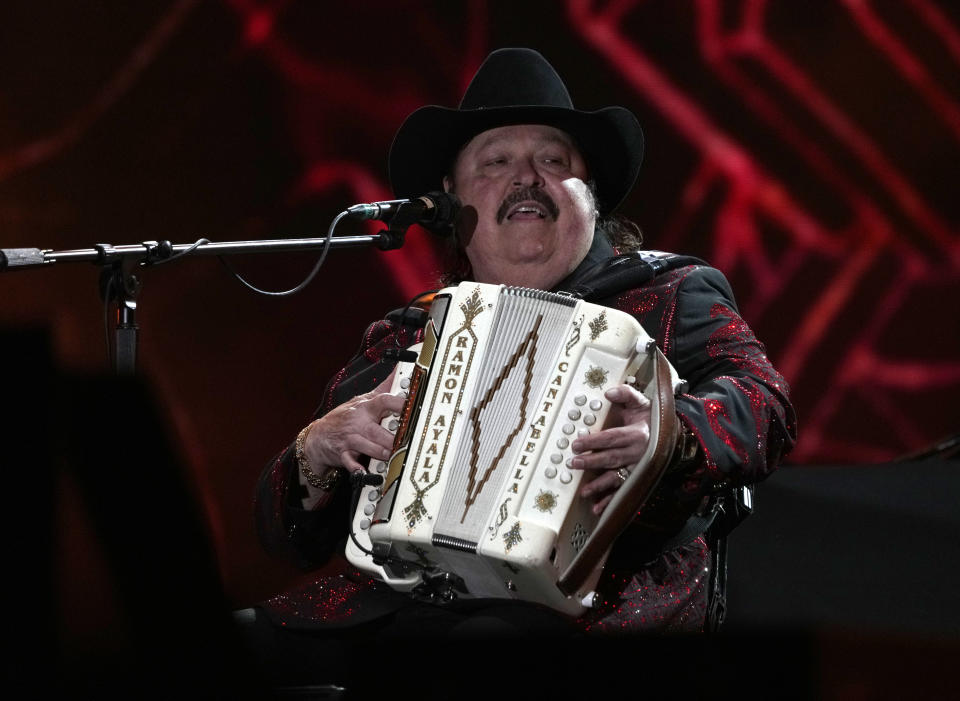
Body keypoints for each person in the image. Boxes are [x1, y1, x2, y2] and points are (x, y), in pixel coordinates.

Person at [242, 47, 796, 689]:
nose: (526, 177)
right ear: (450, 197)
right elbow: (287, 537)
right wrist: (316, 450)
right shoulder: (408, 332)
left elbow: (766, 402)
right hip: (399, 608)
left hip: (598, 610)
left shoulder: (670, 292)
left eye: (553, 161)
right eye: (496, 161)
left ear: (592, 195)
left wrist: (672, 435)